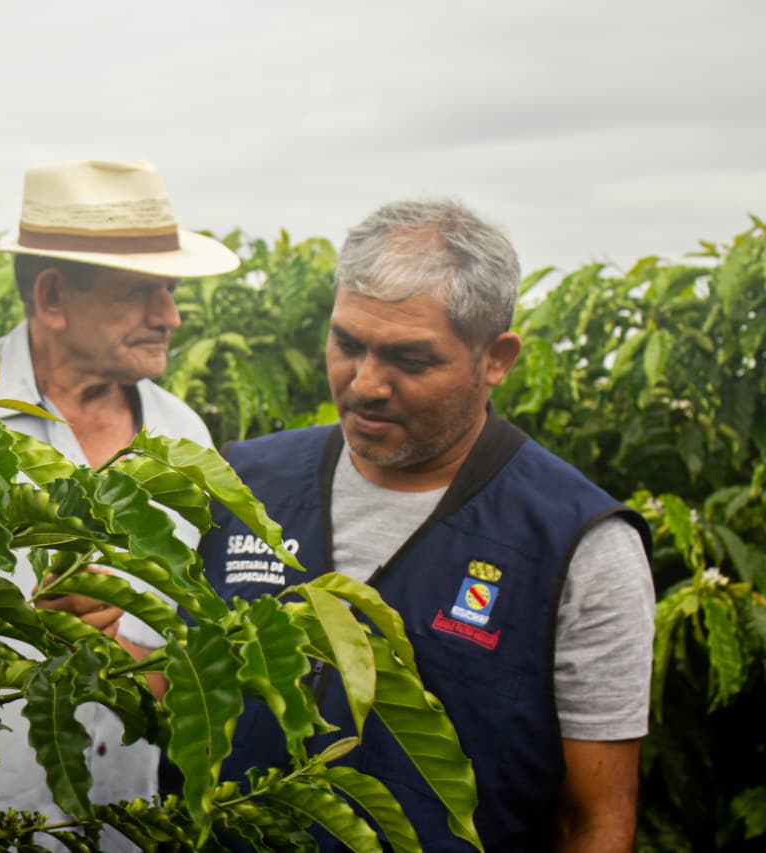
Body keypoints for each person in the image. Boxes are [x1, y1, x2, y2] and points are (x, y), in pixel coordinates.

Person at [196, 199, 654, 851]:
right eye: (347, 344)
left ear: (496, 358)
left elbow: (596, 819)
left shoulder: (580, 545)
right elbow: (175, 682)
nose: (366, 384)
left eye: (410, 360)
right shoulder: (240, 483)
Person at [0, 159, 239, 845]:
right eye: (142, 292)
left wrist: (113, 647)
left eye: (170, 289)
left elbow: (180, 663)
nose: (170, 317)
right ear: (52, 296)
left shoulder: (184, 437)